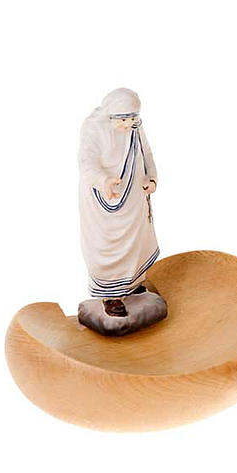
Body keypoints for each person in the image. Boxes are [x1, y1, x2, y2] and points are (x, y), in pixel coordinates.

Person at [78, 88, 159, 317]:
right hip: (104, 198)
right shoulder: (93, 127)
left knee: (136, 241)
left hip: (134, 196)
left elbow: (146, 153)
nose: (128, 124)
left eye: (132, 118)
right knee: (106, 245)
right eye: (123, 119)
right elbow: (86, 162)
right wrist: (104, 180)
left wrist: (152, 177)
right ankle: (110, 295)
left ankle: (133, 282)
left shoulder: (134, 126)